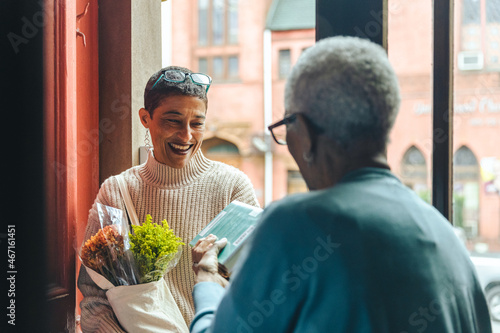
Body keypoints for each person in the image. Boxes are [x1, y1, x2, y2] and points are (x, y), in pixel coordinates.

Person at [190, 37, 492, 332]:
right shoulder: (445, 235)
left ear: (305, 132)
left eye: (285, 127)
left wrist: (207, 284)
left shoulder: (296, 224)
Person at [77, 66, 259, 332]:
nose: (186, 136)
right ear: (145, 118)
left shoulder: (233, 186)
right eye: (172, 121)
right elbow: (94, 297)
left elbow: (259, 282)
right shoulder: (117, 191)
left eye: (197, 124)